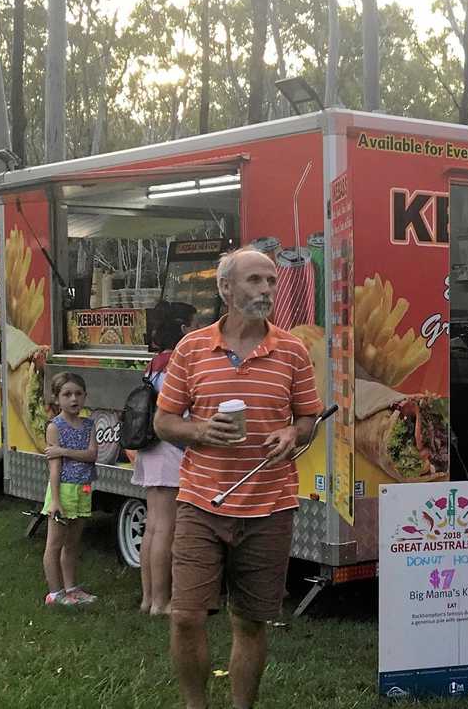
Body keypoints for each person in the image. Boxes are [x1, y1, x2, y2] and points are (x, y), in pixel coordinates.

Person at [154, 248, 322, 709]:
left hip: (269, 508)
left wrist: (293, 433)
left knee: (250, 621)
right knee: (186, 616)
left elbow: (309, 419)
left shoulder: (291, 349)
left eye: (270, 281)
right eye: (254, 281)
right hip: (201, 503)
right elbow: (163, 422)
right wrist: (201, 430)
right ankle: (195, 705)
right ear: (226, 288)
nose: (266, 289)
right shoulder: (192, 349)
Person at [132, 301, 199, 616]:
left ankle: (148, 598)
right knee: (167, 528)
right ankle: (163, 601)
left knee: (153, 526)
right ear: (183, 328)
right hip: (171, 448)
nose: (198, 330)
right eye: (194, 324)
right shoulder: (179, 362)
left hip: (150, 447)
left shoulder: (154, 362)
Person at [42, 372, 100, 607]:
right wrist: (55, 500)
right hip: (63, 491)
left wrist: (64, 451)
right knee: (54, 544)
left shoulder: (89, 424)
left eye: (78, 393)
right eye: (67, 394)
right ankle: (55, 593)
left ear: (85, 396)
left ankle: (71, 587)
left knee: (73, 543)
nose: (73, 399)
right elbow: (54, 468)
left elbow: (91, 454)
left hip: (83, 489)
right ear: (57, 399)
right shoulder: (55, 427)